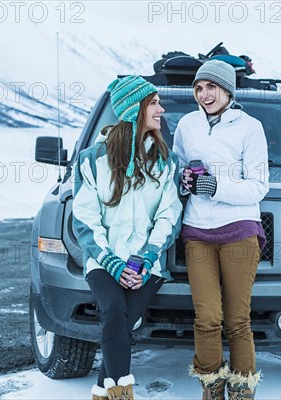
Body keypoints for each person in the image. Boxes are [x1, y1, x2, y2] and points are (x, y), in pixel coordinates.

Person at [72, 75, 182, 400]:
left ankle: (100, 391)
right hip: (102, 262)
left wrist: (148, 258)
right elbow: (85, 220)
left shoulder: (166, 163)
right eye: (154, 103)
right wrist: (112, 263)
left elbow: (168, 216)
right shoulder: (92, 161)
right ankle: (123, 393)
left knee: (118, 320)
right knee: (112, 311)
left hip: (147, 267)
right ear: (135, 109)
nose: (162, 110)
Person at [173, 60, 269, 400]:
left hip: (240, 231)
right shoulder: (186, 125)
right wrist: (185, 182)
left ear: (227, 89)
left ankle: (242, 392)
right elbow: (178, 170)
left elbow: (258, 187)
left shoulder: (250, 127)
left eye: (210, 87)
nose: (203, 94)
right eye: (199, 88)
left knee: (238, 321)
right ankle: (211, 387)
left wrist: (213, 186)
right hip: (197, 231)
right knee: (208, 318)